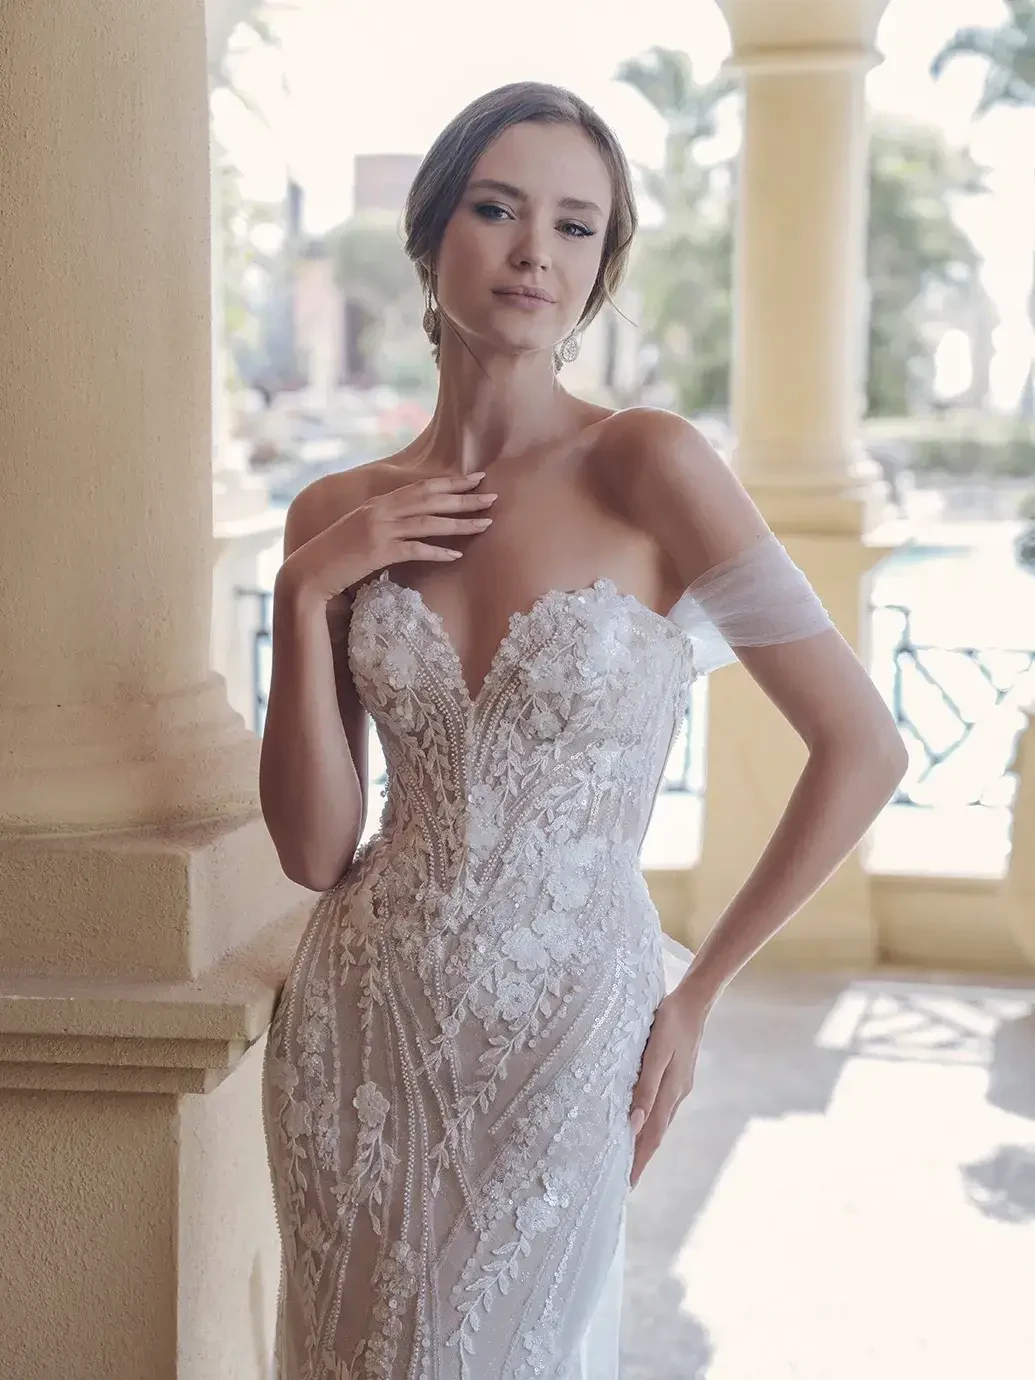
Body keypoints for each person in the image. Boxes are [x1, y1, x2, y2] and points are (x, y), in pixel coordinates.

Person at [258, 81, 907, 1380]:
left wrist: (699, 990)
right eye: (496, 209)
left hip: (569, 1023)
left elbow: (861, 746)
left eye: (573, 225)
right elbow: (316, 852)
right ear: (433, 231)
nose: (530, 252)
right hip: (358, 1022)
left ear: (601, 267)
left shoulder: (649, 465)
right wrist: (305, 589)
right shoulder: (338, 508)